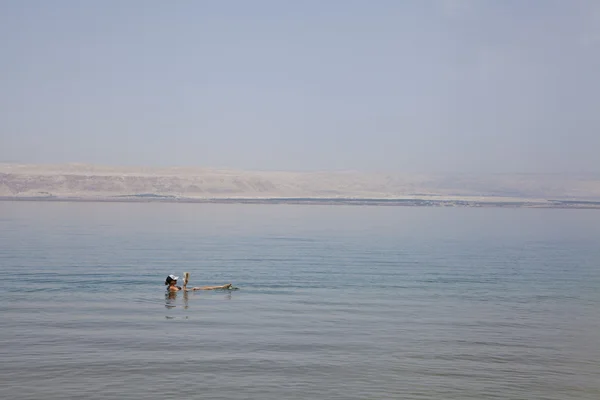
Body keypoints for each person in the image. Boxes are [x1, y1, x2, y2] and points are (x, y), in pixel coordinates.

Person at [165, 274, 232, 292]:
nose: (176, 281)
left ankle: (222, 287)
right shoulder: (172, 288)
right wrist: (191, 289)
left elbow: (183, 290)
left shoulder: (172, 287)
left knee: (206, 288)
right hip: (190, 291)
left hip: (190, 290)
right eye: (175, 280)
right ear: (171, 281)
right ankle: (222, 287)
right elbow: (183, 291)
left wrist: (185, 284)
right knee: (207, 288)